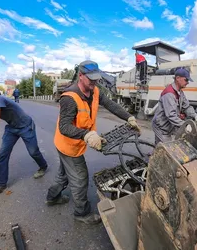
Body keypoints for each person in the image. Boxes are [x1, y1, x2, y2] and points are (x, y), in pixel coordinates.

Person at [46, 60, 141, 225]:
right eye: (91, 79)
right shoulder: (69, 97)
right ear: (81, 76)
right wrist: (87, 135)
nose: (94, 82)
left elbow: (111, 104)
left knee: (64, 174)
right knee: (80, 177)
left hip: (74, 143)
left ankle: (52, 197)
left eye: (96, 78)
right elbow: (64, 127)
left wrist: (128, 117)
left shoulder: (95, 91)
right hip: (68, 145)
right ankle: (81, 213)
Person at [151, 68, 197, 145]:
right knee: (167, 148)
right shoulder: (169, 93)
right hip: (161, 126)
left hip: (168, 125)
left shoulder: (180, 92)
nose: (188, 83)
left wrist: (196, 116)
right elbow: (171, 115)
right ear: (177, 78)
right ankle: (154, 155)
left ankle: (155, 153)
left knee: (164, 146)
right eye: (186, 80)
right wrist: (186, 126)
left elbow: (186, 106)